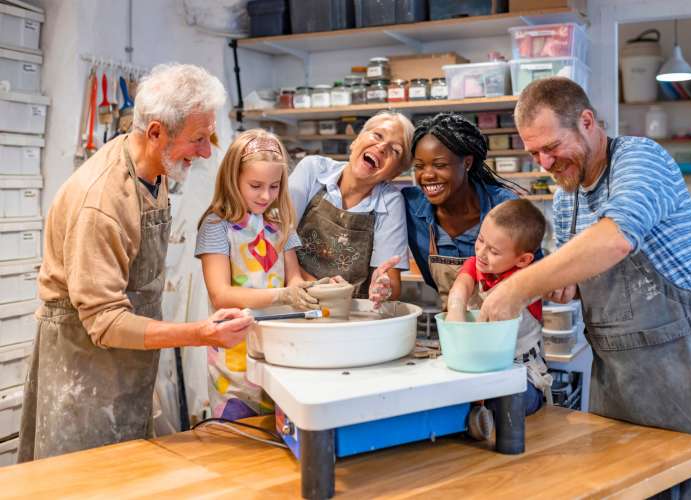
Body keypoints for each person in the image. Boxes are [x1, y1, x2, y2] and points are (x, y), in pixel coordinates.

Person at [479, 77, 691, 498]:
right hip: (620, 384)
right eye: (534, 152)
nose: (545, 163)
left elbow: (615, 239)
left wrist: (518, 288)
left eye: (551, 147)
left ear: (587, 121)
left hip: (690, 373)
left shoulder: (641, 158)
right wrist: (562, 286)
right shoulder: (567, 196)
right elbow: (576, 275)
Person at [18, 64, 255, 462]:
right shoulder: (102, 202)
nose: (206, 151)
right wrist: (199, 333)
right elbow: (106, 321)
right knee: (79, 479)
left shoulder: (154, 170)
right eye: (198, 139)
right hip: (84, 364)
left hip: (126, 363)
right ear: (157, 131)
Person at [196, 129, 326, 419]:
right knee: (239, 441)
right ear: (233, 178)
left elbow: (294, 277)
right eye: (255, 185)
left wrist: (321, 288)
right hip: (234, 360)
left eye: (274, 186)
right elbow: (221, 295)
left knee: (277, 437)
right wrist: (282, 295)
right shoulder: (216, 226)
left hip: (278, 351)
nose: (266, 195)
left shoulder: (280, 223)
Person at [401, 112, 525, 309]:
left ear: (467, 163)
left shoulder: (505, 208)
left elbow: (533, 274)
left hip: (506, 324)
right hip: (452, 322)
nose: (427, 175)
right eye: (419, 166)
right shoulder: (409, 206)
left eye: (439, 165)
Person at [289, 111, 414, 305]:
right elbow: (276, 239)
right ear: (355, 141)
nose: (381, 147)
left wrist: (383, 288)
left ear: (395, 173)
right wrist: (315, 286)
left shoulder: (390, 201)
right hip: (296, 297)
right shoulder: (312, 170)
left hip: (351, 311)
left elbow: (392, 284)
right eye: (377, 135)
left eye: (395, 150)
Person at [445, 199, 552, 415]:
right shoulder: (478, 264)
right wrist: (455, 312)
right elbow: (460, 287)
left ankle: (483, 418)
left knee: (506, 402)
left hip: (521, 373)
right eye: (480, 240)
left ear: (523, 260)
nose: (481, 253)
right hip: (478, 365)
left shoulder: (528, 282)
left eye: (493, 251)